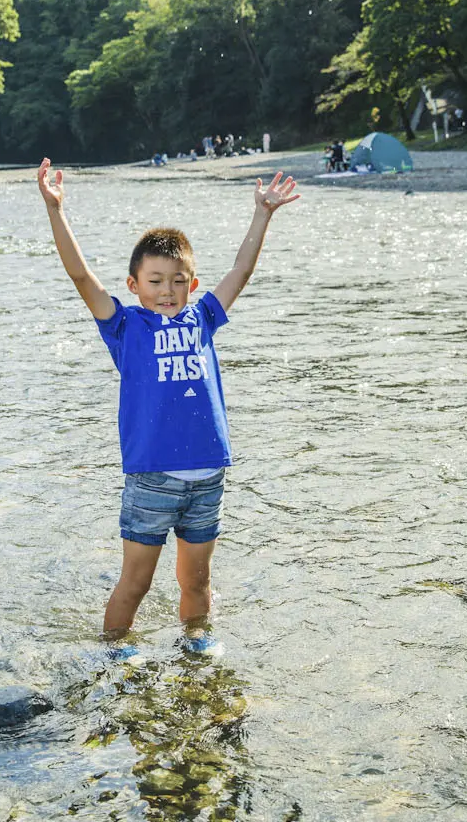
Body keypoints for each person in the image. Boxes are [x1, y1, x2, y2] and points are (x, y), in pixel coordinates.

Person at [36, 157, 300, 653]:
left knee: (196, 582)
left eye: (178, 280)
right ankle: (115, 649)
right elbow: (80, 275)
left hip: (207, 476)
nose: (167, 290)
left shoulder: (202, 318)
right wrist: (56, 210)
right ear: (134, 285)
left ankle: (196, 642)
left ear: (192, 284)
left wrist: (262, 215)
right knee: (135, 583)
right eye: (155, 281)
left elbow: (241, 272)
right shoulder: (125, 326)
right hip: (152, 478)